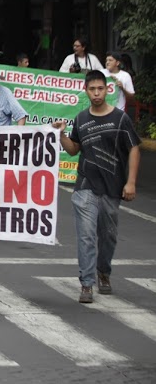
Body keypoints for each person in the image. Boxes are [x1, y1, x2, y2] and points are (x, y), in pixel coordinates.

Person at [54, 70, 140, 304]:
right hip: (85, 185)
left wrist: (131, 182)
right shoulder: (81, 119)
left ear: (107, 90)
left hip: (112, 187)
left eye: (100, 89)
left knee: (108, 236)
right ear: (86, 91)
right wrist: (60, 135)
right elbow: (74, 149)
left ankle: (104, 271)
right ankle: (86, 283)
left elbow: (133, 148)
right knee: (86, 236)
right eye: (92, 89)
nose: (96, 93)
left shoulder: (120, 119)